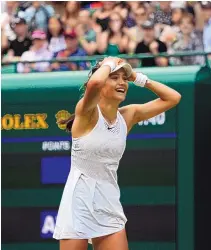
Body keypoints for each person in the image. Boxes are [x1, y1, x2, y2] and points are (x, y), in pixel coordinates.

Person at [53, 56, 181, 250]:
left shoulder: (128, 115)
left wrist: (137, 77)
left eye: (124, 78)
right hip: (78, 202)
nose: (121, 82)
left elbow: (174, 98)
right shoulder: (86, 112)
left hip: (108, 201)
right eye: (114, 77)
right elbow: (95, 82)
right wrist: (108, 63)